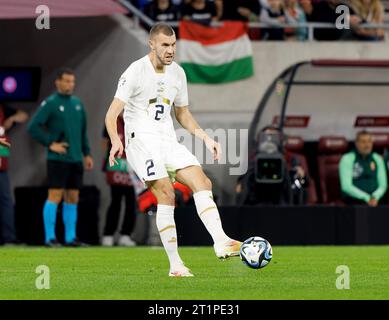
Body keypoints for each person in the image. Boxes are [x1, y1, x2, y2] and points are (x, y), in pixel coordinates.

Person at [105, 23, 242, 277]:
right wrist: (115, 140)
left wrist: (204, 137)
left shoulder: (178, 73)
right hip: (141, 143)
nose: (171, 50)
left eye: (174, 45)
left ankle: (221, 241)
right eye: (165, 45)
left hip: (167, 140)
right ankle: (176, 265)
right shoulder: (135, 71)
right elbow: (112, 113)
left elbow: (182, 113)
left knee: (202, 182)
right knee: (167, 194)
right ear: (152, 44)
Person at [28, 68, 94, 247]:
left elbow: (82, 133)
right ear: (58, 82)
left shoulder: (78, 104)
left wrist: (87, 153)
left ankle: (70, 238)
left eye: (72, 81)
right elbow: (33, 127)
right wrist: (50, 143)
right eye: (66, 81)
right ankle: (49, 237)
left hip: (75, 159)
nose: (69, 85)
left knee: (73, 197)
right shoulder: (50, 103)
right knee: (55, 195)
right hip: (58, 160)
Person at [102, 114, 137, 247]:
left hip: (132, 166)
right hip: (116, 165)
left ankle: (126, 234)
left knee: (131, 202)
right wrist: (107, 160)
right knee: (115, 201)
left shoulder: (136, 119)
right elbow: (105, 142)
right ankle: (108, 234)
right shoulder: (112, 119)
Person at [0, 104, 28, 245]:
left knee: (6, 202)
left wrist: (11, 119)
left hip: (1, 165)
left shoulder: (3, 108)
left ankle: (9, 238)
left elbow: (23, 115)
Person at [339, 131, 388, 206]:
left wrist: (375, 197)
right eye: (363, 142)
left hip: (376, 200)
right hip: (355, 200)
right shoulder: (347, 158)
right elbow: (346, 186)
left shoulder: (378, 159)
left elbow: (383, 185)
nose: (367, 145)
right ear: (356, 143)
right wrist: (367, 198)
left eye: (369, 141)